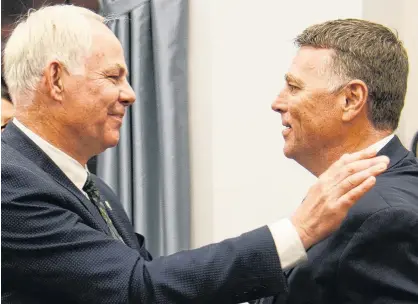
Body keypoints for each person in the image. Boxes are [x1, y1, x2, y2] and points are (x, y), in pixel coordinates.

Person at [1, 6, 389, 303]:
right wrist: (296, 231)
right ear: (55, 80)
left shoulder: (92, 186)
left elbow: (155, 277)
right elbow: (139, 288)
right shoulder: (9, 182)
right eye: (113, 76)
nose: (130, 94)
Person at [256, 19, 418, 304]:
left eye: (294, 87)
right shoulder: (361, 193)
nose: (277, 102)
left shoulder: (383, 215)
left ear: (351, 99)